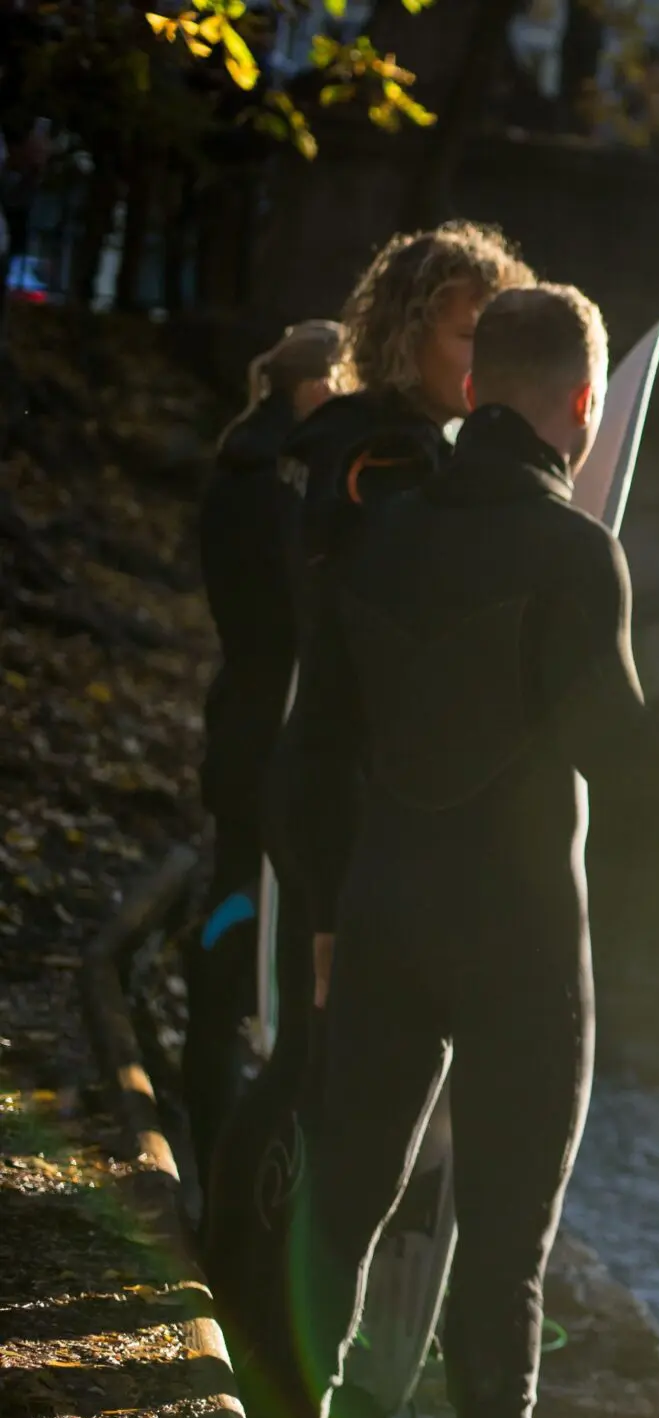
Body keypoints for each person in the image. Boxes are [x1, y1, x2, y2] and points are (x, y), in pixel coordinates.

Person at [261, 283, 659, 1418]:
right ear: (585, 403)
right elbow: (620, 756)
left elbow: (308, 752)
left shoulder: (377, 531)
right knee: (506, 1235)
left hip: (389, 909)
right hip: (516, 938)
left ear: (472, 389)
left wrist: (331, 917)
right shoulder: (575, 552)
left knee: (346, 1197)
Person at [203, 221, 533, 1418]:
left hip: (338, 789)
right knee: (316, 1076)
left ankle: (246, 1318)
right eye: (469, 331)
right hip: (336, 797)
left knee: (314, 1067)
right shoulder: (376, 458)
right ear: (411, 331)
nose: (483, 357)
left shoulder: (391, 449)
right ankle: (245, 1317)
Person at [183, 319, 342, 1159]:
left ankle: (211, 1099)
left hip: (242, 718)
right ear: (313, 386)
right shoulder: (280, 484)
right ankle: (221, 1140)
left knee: (231, 897)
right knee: (244, 919)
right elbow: (293, 617)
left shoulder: (241, 463)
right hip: (270, 733)